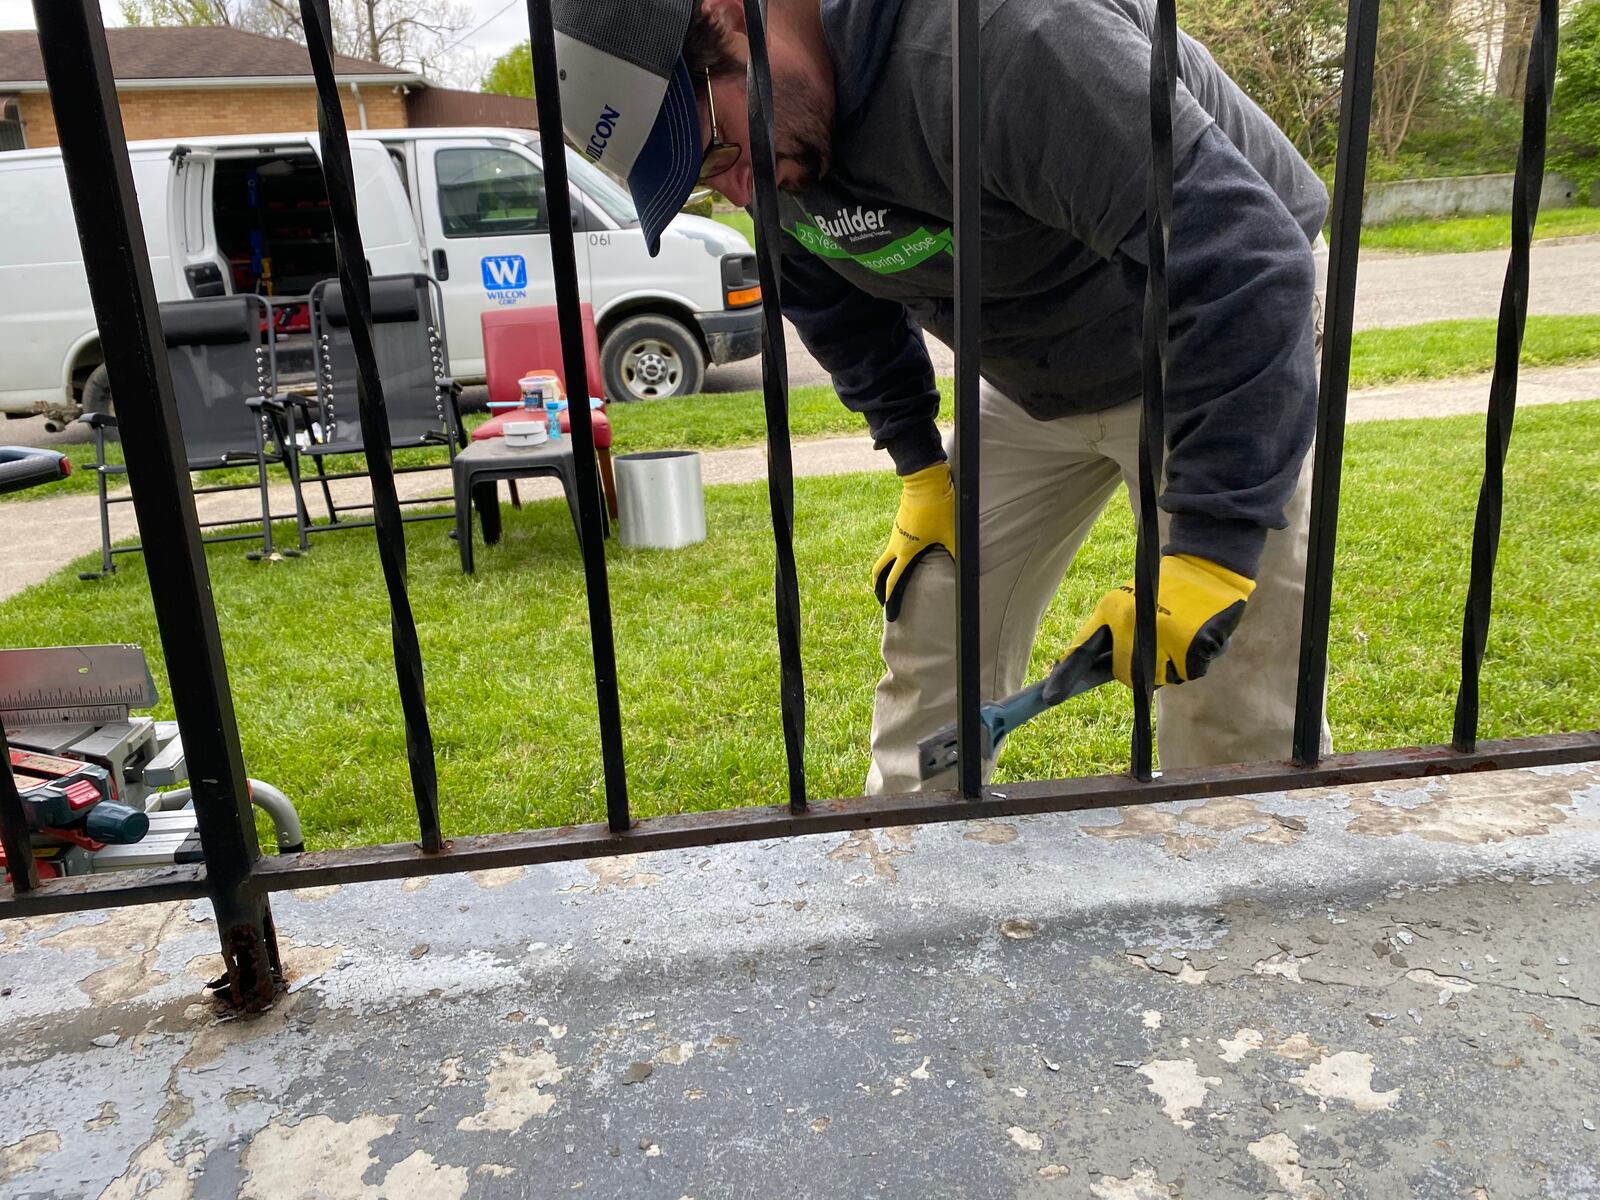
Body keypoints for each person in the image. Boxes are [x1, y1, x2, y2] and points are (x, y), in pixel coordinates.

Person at [552, 0, 1332, 792]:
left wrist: (1212, 546)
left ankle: (1251, 885)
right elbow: (832, 296)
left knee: (1230, 678)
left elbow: (1245, 260)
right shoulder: (773, 146)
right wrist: (921, 466)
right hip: (1033, 377)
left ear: (730, 14)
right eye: (706, 178)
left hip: (1203, 341)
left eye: (717, 147)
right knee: (938, 610)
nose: (745, 187)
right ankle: (911, 873)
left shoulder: (1003, 37)